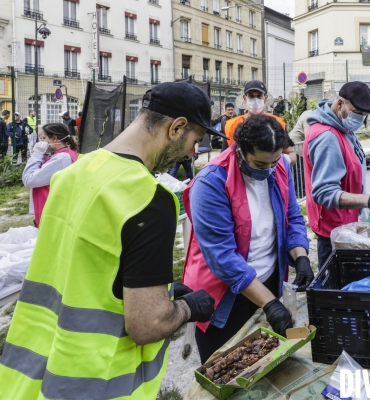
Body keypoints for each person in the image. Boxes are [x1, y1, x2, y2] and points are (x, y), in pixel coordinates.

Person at [0, 82, 226, 399]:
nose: (194, 153)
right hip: (95, 379)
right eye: (195, 141)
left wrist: (165, 291)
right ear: (176, 128)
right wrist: (188, 307)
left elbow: (88, 271)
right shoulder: (149, 199)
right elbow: (147, 324)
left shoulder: (71, 175)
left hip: (32, 373)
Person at [182, 114, 311, 362]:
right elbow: (223, 257)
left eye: (274, 162)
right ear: (240, 151)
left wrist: (301, 256)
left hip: (266, 281)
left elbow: (292, 216)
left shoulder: (279, 166)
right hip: (224, 293)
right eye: (260, 165)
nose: (270, 170)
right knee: (227, 364)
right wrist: (271, 304)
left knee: (266, 360)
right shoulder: (211, 183)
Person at [304, 82, 370, 269]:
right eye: (357, 113)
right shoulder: (327, 137)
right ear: (340, 104)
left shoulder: (343, 128)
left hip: (347, 223)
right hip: (333, 230)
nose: (359, 119)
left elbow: (348, 170)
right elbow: (324, 192)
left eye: (363, 116)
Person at [223, 80, 297, 165]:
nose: (255, 100)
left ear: (265, 98)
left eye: (259, 96)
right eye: (251, 96)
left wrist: (275, 163)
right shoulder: (231, 125)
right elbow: (224, 156)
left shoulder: (277, 123)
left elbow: (291, 154)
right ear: (244, 98)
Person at [22, 123, 78, 227]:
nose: (41, 142)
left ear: (55, 139)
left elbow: (28, 179)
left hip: (52, 211)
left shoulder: (61, 158)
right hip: (54, 208)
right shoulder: (64, 154)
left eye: (44, 138)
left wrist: (37, 154)